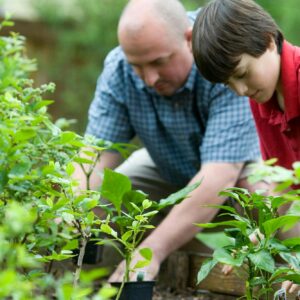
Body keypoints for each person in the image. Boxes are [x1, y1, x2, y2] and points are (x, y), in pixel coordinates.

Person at [80, 0, 261, 282]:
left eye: (158, 63)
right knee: (110, 195)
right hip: (168, 167)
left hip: (238, 168)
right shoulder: (119, 69)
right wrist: (70, 211)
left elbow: (219, 176)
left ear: (189, 39)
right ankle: (180, 272)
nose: (149, 78)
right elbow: (93, 157)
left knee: (265, 194)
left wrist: (150, 251)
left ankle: (278, 278)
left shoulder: (221, 52)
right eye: (137, 66)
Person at [192, 0, 300, 293]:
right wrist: (257, 235)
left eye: (241, 74)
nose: (240, 91)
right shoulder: (261, 100)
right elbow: (284, 184)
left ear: (267, 42)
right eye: (228, 84)